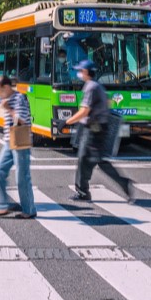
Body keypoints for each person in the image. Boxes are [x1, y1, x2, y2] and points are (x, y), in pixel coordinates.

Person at [64, 60, 135, 203]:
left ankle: (83, 192)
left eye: (80, 71)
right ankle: (122, 184)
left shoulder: (90, 87)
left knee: (85, 159)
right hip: (98, 128)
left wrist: (66, 122)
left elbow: (84, 111)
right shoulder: (98, 86)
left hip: (93, 130)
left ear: (85, 72)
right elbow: (107, 103)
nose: (78, 74)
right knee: (98, 160)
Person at [0, 74, 36, 219]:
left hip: (20, 141)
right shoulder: (8, 99)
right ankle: (3, 206)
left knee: (22, 177)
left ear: (7, 87)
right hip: (9, 141)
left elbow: (21, 120)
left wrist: (8, 108)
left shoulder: (19, 98)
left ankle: (29, 210)